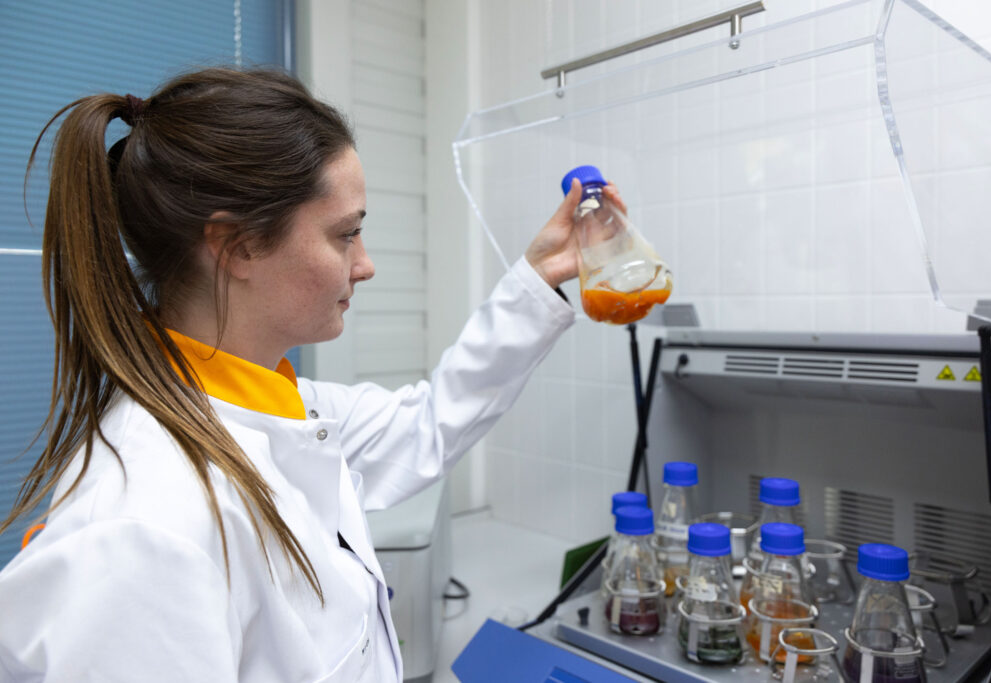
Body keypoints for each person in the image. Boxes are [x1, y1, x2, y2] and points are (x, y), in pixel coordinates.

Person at [0, 68, 624, 682]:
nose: (366, 264)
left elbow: (427, 423)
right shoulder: (144, 525)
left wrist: (538, 276)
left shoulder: (277, 406)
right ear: (238, 246)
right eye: (346, 234)